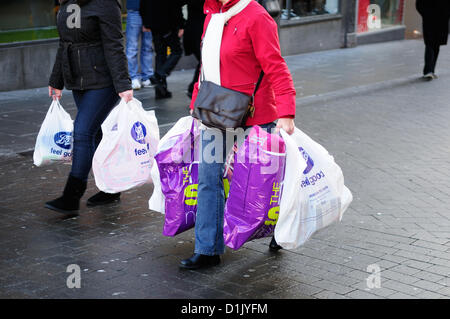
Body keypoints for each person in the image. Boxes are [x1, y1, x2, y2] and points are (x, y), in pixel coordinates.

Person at [180, 0, 296, 270]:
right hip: (217, 111)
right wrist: (195, 104)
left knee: (263, 184)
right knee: (209, 177)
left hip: (256, 113)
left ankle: (279, 229)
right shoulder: (212, 14)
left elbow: (276, 66)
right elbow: (206, 68)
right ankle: (208, 249)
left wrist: (287, 111)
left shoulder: (257, 17)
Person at [46, 0, 133, 214]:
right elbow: (63, 43)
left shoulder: (105, 4)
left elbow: (114, 45)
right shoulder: (66, 4)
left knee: (83, 131)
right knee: (96, 136)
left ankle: (71, 196)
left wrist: (123, 84)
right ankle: (111, 188)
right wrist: (56, 80)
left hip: (104, 81)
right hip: (78, 80)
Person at [140, 0, 185, 99]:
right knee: (176, 51)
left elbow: (143, 5)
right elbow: (175, 5)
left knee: (160, 54)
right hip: (168, 22)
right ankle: (160, 74)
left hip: (154, 23)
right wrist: (181, 24)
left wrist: (146, 22)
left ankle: (161, 90)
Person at [416, 0, 450, 81]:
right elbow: (419, 4)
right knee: (430, 43)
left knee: (436, 44)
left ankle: (431, 70)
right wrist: (426, 15)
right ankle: (428, 70)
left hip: (441, 19)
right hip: (430, 19)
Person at [126, 0, 155, 90]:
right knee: (132, 47)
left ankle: (146, 76)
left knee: (148, 46)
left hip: (149, 10)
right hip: (134, 10)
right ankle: (133, 77)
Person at [182, 0, 206, 98]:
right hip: (197, 32)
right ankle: (193, 89)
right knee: (203, 61)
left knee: (203, 61)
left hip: (195, 31)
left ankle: (193, 89)